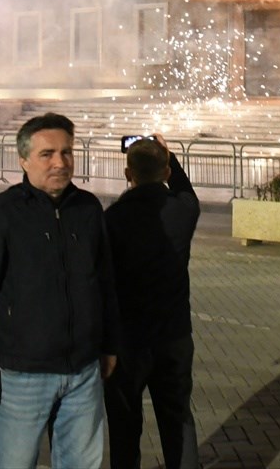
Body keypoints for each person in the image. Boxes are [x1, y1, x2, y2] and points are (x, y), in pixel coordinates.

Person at [0, 113, 121, 469]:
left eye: (66, 152)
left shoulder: (88, 208)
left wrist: (109, 345)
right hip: (20, 378)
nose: (60, 162)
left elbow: (105, 282)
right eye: (47, 154)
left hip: (83, 374)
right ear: (23, 159)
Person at [103, 134, 200, 469]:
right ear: (167, 172)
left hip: (127, 340)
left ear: (128, 174)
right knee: (178, 419)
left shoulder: (112, 218)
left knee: (124, 426)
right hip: (174, 334)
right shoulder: (183, 210)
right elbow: (186, 190)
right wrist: (170, 156)